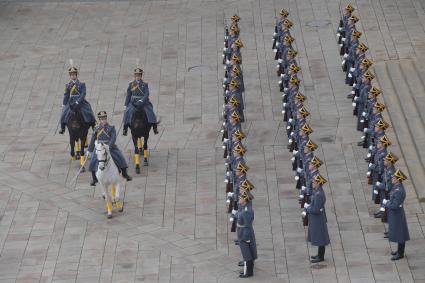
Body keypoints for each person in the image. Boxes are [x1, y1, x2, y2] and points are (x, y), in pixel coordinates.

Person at [87, 111, 132, 186]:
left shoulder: (111, 127)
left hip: (109, 146)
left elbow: (113, 138)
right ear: (99, 120)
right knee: (93, 161)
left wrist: (108, 146)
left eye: (104, 118)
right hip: (99, 147)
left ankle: (125, 174)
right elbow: (93, 139)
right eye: (101, 119)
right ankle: (94, 178)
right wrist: (89, 150)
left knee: (120, 157)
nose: (103, 120)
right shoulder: (96, 128)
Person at [59, 63, 96, 134]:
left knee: (88, 110)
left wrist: (78, 101)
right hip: (71, 101)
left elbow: (83, 94)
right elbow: (66, 95)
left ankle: (93, 125)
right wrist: (64, 104)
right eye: (71, 75)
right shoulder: (68, 85)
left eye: (74, 74)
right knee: (64, 113)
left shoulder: (82, 84)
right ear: (70, 76)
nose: (73, 76)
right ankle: (62, 127)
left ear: (76, 75)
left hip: (80, 101)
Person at [123, 67, 159, 136]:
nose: (137, 77)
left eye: (139, 75)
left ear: (141, 76)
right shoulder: (131, 85)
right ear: (134, 76)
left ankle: (154, 127)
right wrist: (126, 104)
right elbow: (128, 95)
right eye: (136, 75)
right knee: (127, 112)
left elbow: (146, 94)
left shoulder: (145, 84)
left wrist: (142, 100)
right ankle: (125, 128)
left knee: (150, 111)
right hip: (133, 102)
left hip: (143, 102)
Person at [303, 174, 330, 263]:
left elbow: (315, 209)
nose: (313, 183)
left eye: (314, 182)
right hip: (317, 219)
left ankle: (321, 257)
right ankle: (319, 255)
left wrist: (307, 208)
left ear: (318, 183)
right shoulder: (317, 191)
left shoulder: (318, 194)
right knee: (319, 237)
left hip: (318, 219)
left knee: (320, 238)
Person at [383, 169, 410, 260]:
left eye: (394, 177)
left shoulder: (399, 190)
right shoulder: (396, 187)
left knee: (400, 234)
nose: (392, 178)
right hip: (396, 214)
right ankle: (399, 251)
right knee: (399, 233)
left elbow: (394, 206)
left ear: (398, 180)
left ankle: (400, 253)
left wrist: (386, 203)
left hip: (397, 215)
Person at [236, 191, 257, 278]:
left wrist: (246, 238)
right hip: (242, 232)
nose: (239, 199)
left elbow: (247, 225)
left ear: (245, 200)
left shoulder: (246, 211)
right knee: (247, 253)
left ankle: (249, 272)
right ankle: (249, 270)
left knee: (247, 253)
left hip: (245, 234)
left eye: (241, 198)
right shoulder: (243, 206)